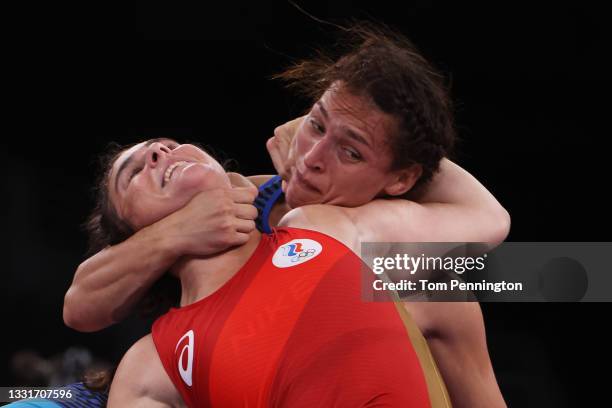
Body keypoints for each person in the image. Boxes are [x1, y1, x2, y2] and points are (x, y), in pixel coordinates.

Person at [64, 26, 509, 407]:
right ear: (133, 229)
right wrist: (177, 233)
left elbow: (497, 229)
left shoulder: (327, 226)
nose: (159, 153)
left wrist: (341, 117)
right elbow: (79, 307)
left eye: (350, 151)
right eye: (134, 172)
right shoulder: (152, 363)